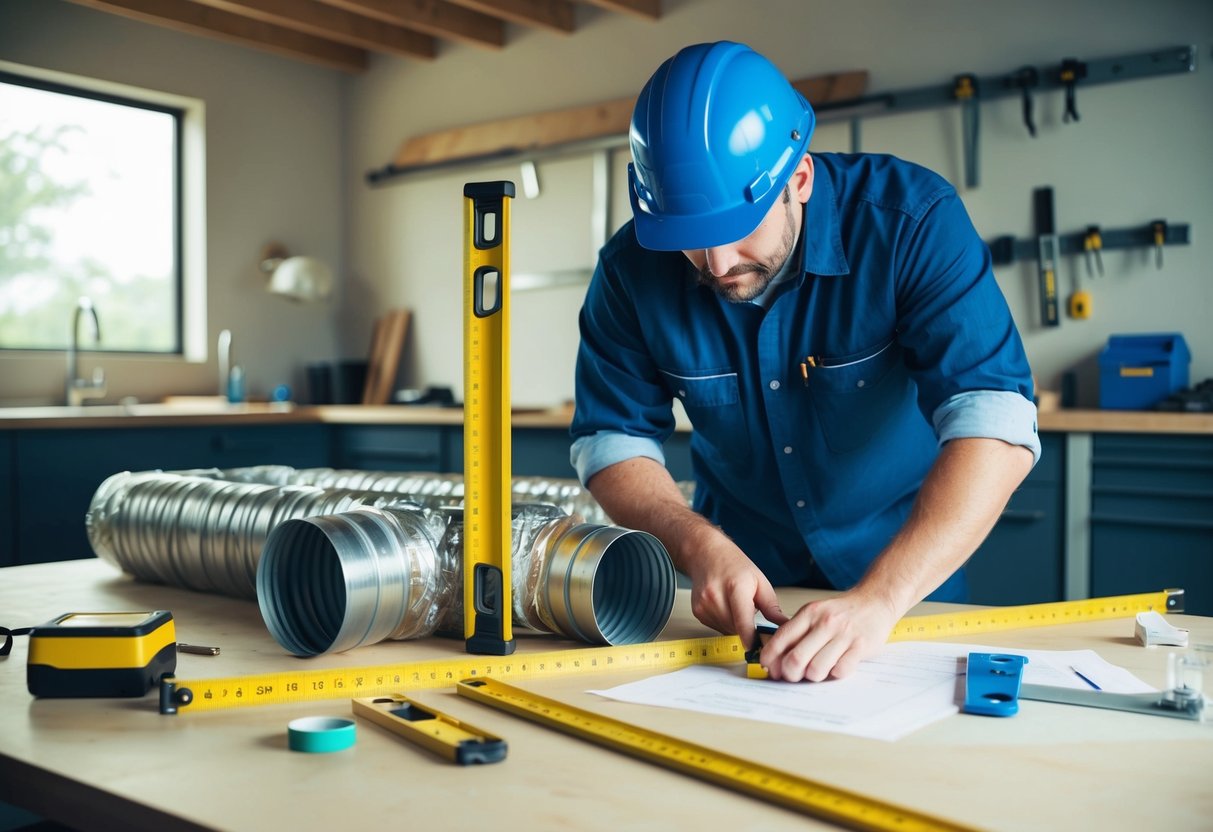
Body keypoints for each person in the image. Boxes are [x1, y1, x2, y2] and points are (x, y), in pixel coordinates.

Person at [569, 41, 1039, 683]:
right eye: (688, 239)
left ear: (800, 179)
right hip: (739, 594)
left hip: (905, 591)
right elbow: (610, 441)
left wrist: (880, 601)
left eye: (739, 228)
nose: (716, 264)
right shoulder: (630, 271)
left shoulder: (911, 221)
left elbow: (995, 423)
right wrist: (695, 542)